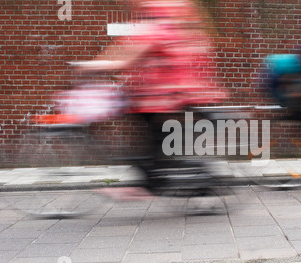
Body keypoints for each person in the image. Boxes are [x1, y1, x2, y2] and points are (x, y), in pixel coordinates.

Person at [77, 0, 227, 198]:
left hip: (164, 97)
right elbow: (124, 48)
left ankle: (151, 184)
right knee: (151, 140)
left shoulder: (157, 21)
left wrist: (91, 67)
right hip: (155, 96)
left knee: (154, 139)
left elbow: (128, 58)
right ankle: (151, 179)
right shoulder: (159, 21)